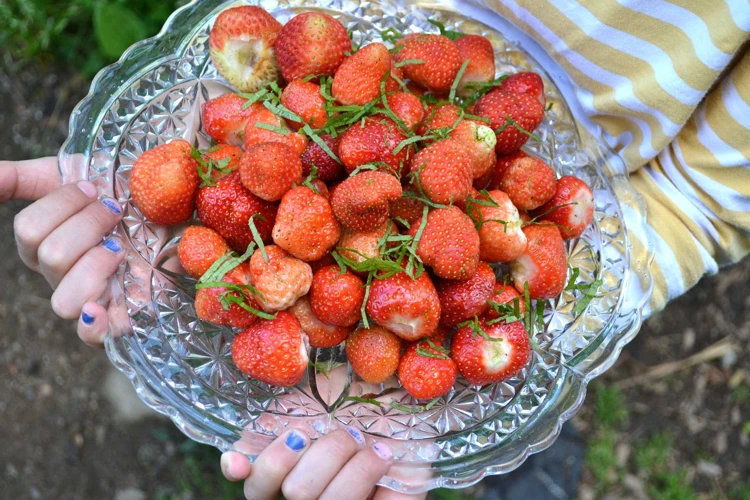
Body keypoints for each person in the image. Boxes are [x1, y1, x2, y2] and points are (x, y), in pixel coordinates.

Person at [1, 1, 748, 499]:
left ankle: (518, 448)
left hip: (545, 178)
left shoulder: (451, 205)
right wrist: (260, 75)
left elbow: (699, 201)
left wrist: (582, 298)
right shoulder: (320, 170)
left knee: (505, 378)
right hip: (343, 87)